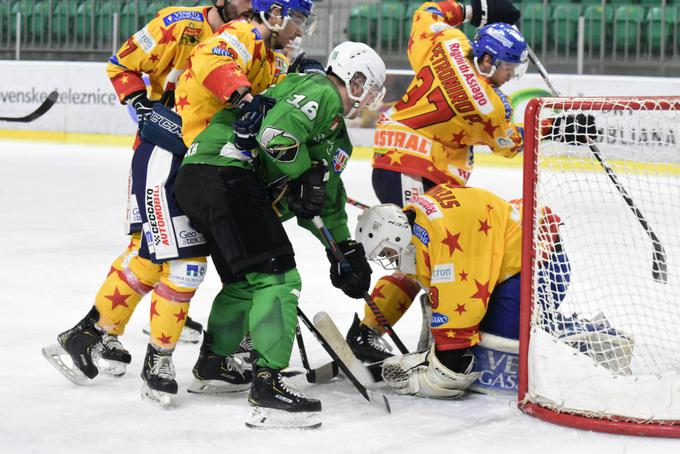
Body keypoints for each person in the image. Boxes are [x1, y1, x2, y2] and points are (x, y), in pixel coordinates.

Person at [174, 41, 386, 428]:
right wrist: (303, 172)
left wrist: (344, 251)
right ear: (354, 80)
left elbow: (324, 196)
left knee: (245, 282)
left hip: (197, 176)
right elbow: (275, 133)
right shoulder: (321, 91)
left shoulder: (336, 132)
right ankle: (267, 387)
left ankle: (214, 364)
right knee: (279, 276)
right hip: (227, 173)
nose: (370, 97)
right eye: (369, 86)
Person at [41, 1, 252, 390]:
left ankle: (92, 333)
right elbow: (120, 64)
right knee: (175, 259)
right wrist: (142, 105)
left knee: (147, 254)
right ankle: (130, 345)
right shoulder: (180, 24)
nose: (250, 5)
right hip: (162, 153)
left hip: (197, 159)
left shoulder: (250, 39)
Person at [347, 0, 525, 362]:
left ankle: (378, 329)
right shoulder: (490, 105)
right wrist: (557, 126)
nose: (510, 77)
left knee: (419, 255)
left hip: (393, 159)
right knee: (418, 256)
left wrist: (479, 8)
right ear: (488, 61)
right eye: (507, 68)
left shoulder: (450, 43)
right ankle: (369, 331)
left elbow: (426, 12)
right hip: (418, 170)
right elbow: (509, 144)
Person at [355, 187, 632, 398]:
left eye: (388, 252)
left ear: (397, 237)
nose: (390, 260)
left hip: (539, 260)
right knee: (472, 339)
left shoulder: (447, 240)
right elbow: (418, 280)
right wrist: (372, 324)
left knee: (499, 342)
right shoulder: (412, 223)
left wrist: (436, 372)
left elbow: (458, 312)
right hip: (506, 258)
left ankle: (595, 338)